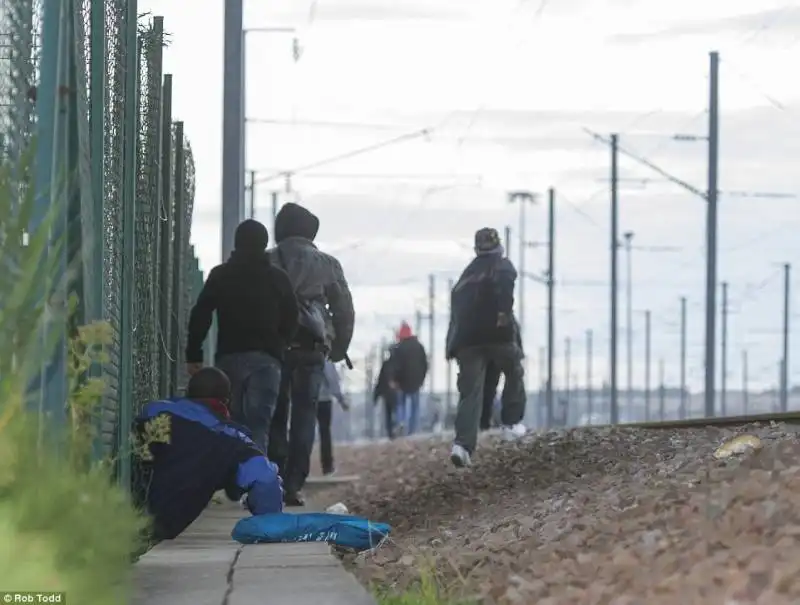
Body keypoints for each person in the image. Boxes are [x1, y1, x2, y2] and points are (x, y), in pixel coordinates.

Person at [266, 202, 355, 506]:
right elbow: (344, 309)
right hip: (312, 348)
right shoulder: (327, 263)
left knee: (275, 414)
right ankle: (294, 484)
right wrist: (340, 347)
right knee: (305, 415)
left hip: (274, 347)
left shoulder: (266, 261)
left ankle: (273, 477)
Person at [185, 219, 298, 453]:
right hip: (267, 361)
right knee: (259, 425)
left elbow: (201, 314)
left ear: (236, 243)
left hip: (230, 358)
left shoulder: (221, 275)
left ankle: (232, 480)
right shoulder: (278, 279)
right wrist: (280, 346)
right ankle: (255, 481)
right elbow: (291, 318)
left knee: (231, 422)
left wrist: (193, 353)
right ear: (265, 244)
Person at [133, 367, 283, 540]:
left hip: (115, 508)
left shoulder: (153, 412)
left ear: (188, 392)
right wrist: (264, 514)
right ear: (226, 402)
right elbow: (265, 480)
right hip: (161, 526)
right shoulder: (231, 440)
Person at [445, 227, 527, 468]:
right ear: (498, 245)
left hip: (467, 342)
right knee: (514, 371)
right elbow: (506, 288)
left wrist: (451, 346)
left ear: (477, 248)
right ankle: (511, 423)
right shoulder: (503, 266)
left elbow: (456, 315)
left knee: (470, 392)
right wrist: (503, 314)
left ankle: (462, 445)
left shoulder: (465, 278)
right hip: (497, 335)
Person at [386, 321, 428, 436]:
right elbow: (425, 364)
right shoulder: (419, 347)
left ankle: (401, 422)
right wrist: (422, 378)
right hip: (416, 382)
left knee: (401, 404)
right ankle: (412, 430)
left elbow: (393, 365)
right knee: (415, 406)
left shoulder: (399, 347)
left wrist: (392, 380)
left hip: (401, 382)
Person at [316, 360, 349, 476]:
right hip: (323, 399)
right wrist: (341, 399)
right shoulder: (325, 358)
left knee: (302, 433)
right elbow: (332, 380)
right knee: (325, 433)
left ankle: (296, 469)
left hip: (306, 398)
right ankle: (327, 467)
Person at [373, 355, 397, 439]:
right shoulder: (400, 363)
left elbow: (380, 380)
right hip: (396, 393)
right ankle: (394, 430)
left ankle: (391, 432)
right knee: (394, 412)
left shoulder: (387, 364)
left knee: (389, 413)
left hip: (388, 393)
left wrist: (376, 395)